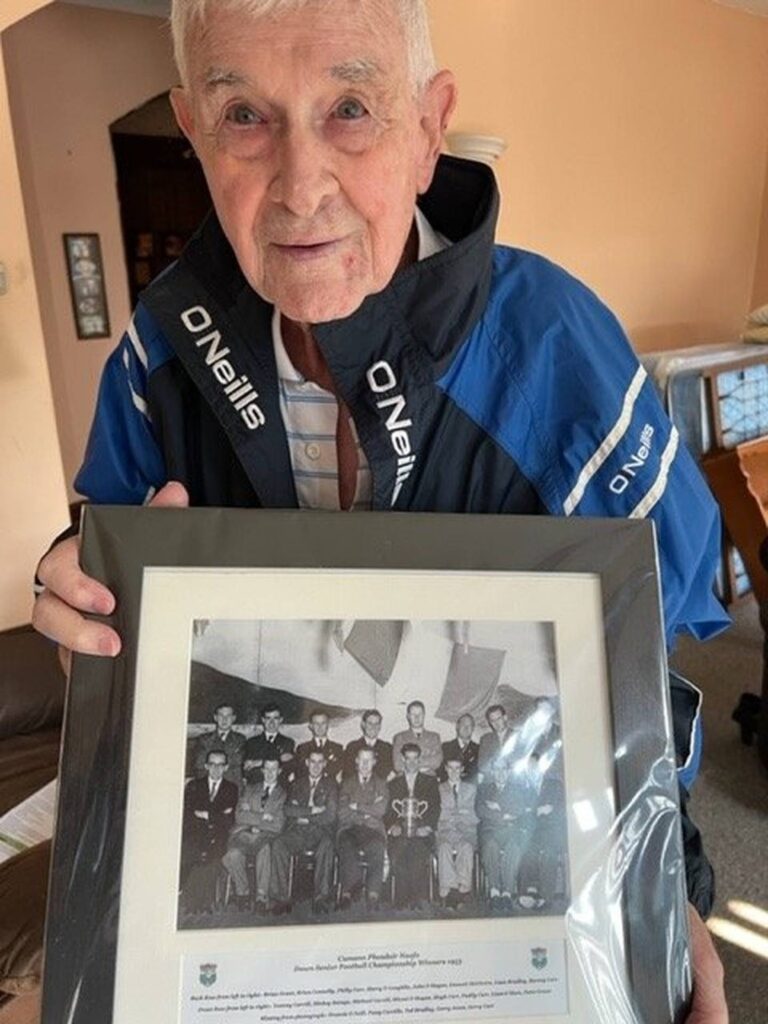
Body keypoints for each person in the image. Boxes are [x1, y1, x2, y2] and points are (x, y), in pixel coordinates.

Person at [31, 1, 727, 1016]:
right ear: (192, 129)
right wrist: (75, 616)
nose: (300, 187)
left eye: (351, 107)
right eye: (244, 117)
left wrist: (667, 894)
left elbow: (648, 662)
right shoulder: (156, 355)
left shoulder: (556, 348)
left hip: (535, 888)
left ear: (429, 128)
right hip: (263, 927)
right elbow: (111, 661)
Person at [270, 749, 338, 913]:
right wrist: (312, 811)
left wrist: (305, 816)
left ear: (324, 764)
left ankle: (320, 899)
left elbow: (330, 815)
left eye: (320, 762)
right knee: (279, 844)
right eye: (312, 761)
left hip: (320, 831)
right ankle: (282, 899)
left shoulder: (331, 785)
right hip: (298, 832)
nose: (316, 766)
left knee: (327, 846)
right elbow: (287, 810)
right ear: (307, 763)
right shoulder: (297, 784)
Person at [222, 756, 285, 912]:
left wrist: (252, 814)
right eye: (267, 769)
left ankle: (261, 897)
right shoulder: (250, 789)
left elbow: (278, 824)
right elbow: (239, 815)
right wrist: (263, 817)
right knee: (232, 855)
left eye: (274, 769)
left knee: (265, 850)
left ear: (279, 771)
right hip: (245, 833)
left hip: (266, 836)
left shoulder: (283, 794)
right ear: (262, 770)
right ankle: (242, 893)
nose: (270, 773)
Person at [476, 757, 538, 911]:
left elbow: (520, 809)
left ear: (509, 771)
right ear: (492, 772)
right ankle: (495, 891)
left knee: (514, 846)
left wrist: (497, 808)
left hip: (511, 831)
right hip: (490, 830)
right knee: (490, 846)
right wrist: (504, 814)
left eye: (504, 769)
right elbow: (480, 810)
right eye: (497, 769)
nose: (500, 773)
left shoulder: (518, 789)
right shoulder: (484, 788)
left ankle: (507, 894)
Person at [180, 749, 238, 912]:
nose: (216, 769)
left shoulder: (231, 788)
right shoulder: (194, 785)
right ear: (206, 766)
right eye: (212, 764)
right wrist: (217, 814)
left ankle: (204, 904)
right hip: (195, 833)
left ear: (226, 767)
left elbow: (229, 819)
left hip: (218, 835)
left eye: (220, 765)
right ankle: (192, 904)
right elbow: (188, 814)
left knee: (212, 856)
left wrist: (205, 813)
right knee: (192, 851)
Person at [385, 742, 440, 908]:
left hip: (422, 831)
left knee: (417, 852)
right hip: (400, 831)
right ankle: (402, 898)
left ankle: (417, 897)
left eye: (415, 759)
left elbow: (435, 808)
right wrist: (392, 826)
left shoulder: (430, 782)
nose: (411, 762)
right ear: (402, 759)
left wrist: (428, 827)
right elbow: (388, 811)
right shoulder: (393, 783)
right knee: (398, 851)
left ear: (420, 760)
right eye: (408, 759)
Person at [336, 747, 388, 908]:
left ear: (374, 762)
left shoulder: (381, 783)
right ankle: (347, 893)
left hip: (373, 829)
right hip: (349, 827)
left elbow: (381, 810)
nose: (365, 764)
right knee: (346, 846)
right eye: (362, 760)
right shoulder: (347, 783)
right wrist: (367, 810)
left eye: (369, 760)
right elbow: (342, 813)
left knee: (377, 847)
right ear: (356, 761)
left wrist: (356, 805)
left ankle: (373, 895)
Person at [436, 757, 478, 906]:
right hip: (445, 831)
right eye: (450, 768)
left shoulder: (471, 789)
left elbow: (474, 815)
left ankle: (463, 889)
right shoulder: (438, 788)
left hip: (466, 831)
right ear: (446, 769)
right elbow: (438, 814)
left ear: (462, 770)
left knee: (466, 848)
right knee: (444, 848)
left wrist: (453, 815)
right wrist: (461, 812)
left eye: (457, 768)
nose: (454, 772)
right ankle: (447, 891)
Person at [193, 703, 246, 787]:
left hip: (233, 786)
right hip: (209, 786)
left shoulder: (240, 739)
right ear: (215, 718)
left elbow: (240, 762)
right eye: (221, 715)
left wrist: (213, 761)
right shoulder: (204, 739)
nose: (224, 719)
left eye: (228, 716)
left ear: (233, 718)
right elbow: (199, 764)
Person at [242, 704, 295, 783]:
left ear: (281, 720)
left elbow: (288, 767)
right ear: (263, 720)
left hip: (279, 789)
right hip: (256, 787)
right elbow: (247, 767)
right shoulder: (251, 742)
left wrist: (258, 762)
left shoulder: (288, 742)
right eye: (268, 718)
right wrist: (278, 757)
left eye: (276, 718)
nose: (272, 722)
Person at [392, 701, 442, 775]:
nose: (417, 717)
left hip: (429, 779)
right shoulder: (400, 737)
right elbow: (397, 765)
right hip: (406, 780)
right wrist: (426, 763)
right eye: (413, 714)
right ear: (408, 716)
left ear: (424, 715)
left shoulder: (434, 737)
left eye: (420, 714)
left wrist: (410, 762)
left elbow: (437, 762)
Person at [343, 709, 393, 780]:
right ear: (363, 724)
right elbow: (348, 773)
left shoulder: (387, 748)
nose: (373, 727)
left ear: (380, 726)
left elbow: (388, 774)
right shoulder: (352, 747)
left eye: (377, 724)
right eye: (370, 723)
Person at [294, 709, 344, 779]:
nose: (320, 727)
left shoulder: (338, 749)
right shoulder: (302, 748)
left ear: (328, 725)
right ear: (310, 726)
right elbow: (300, 773)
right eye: (316, 723)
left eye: (323, 723)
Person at [477, 704, 516, 775]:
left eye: (498, 719)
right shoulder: (485, 739)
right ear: (490, 723)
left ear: (505, 718)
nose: (496, 723)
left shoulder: (517, 736)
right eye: (492, 721)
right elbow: (482, 766)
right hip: (493, 780)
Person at [440, 713, 479, 781]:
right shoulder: (445, 747)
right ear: (457, 727)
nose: (466, 728)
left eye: (469, 725)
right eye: (463, 724)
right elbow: (440, 771)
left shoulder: (478, 749)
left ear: (473, 728)